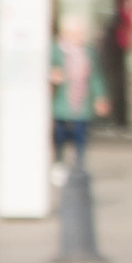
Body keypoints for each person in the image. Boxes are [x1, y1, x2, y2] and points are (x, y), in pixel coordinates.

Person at [50, 12, 108, 179]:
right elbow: (46, 68)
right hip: (61, 99)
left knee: (80, 134)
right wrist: (52, 75)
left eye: (81, 33)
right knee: (59, 133)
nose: (79, 36)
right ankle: (59, 161)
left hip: (82, 100)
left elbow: (95, 76)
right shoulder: (55, 50)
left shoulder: (88, 52)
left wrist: (100, 96)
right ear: (65, 33)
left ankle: (79, 165)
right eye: (76, 33)